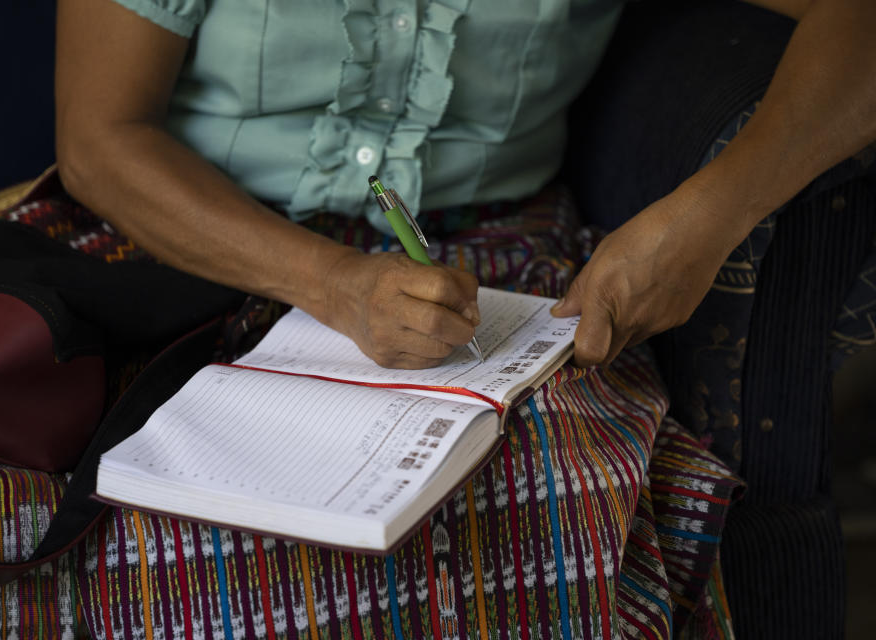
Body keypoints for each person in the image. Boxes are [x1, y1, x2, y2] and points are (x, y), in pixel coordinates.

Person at [52, 0, 874, 638]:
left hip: (493, 262)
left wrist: (707, 218)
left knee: (568, 494)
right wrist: (334, 283)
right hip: (199, 245)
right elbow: (101, 137)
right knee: (178, 518)